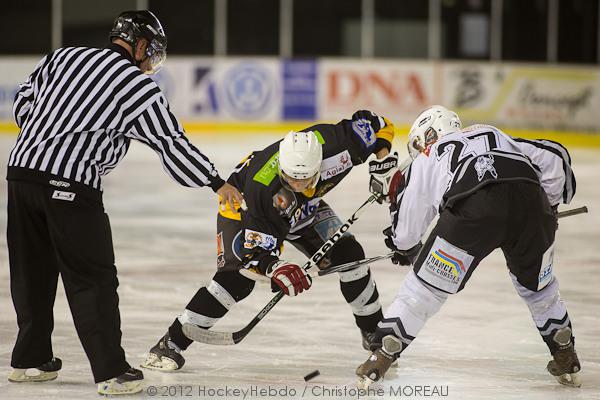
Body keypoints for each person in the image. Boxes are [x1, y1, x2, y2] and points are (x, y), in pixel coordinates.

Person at [6, 10, 242, 396]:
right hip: (71, 184)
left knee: (31, 273)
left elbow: (23, 104)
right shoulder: (135, 86)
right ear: (141, 45)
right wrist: (216, 182)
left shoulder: (61, 56)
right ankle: (111, 372)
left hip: (20, 175)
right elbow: (171, 143)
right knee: (92, 279)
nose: (152, 63)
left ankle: (30, 361)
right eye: (153, 53)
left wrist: (49, 136)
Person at [141, 110, 398, 371]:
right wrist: (276, 268)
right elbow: (256, 255)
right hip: (243, 204)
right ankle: (171, 343)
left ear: (319, 165)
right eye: (291, 178)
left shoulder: (341, 143)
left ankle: (374, 335)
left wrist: (383, 164)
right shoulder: (262, 191)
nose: (297, 185)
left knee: (350, 256)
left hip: (304, 208)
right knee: (237, 280)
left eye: (305, 179)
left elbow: (380, 124)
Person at [357, 105, 580, 388]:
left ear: (428, 134)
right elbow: (555, 155)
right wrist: (549, 205)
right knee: (539, 289)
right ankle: (563, 348)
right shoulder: (492, 132)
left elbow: (407, 227)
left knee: (424, 291)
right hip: (531, 204)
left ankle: (382, 354)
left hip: (473, 209)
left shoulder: (429, 154)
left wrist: (405, 247)